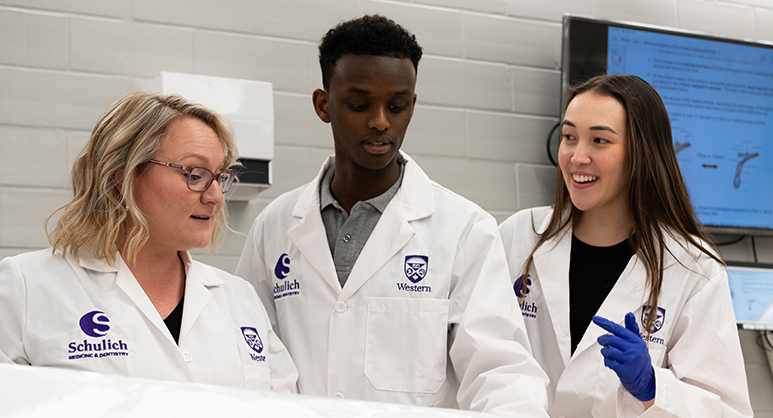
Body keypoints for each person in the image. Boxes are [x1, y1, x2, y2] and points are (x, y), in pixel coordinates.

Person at [236, 14, 548, 415]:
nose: (381, 121)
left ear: (412, 105)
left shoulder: (464, 230)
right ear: (323, 105)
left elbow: (502, 371)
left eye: (397, 106)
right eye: (360, 104)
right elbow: (247, 354)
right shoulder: (274, 226)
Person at [0, 92, 298, 392]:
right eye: (195, 175)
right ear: (122, 175)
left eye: (220, 177)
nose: (214, 197)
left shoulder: (240, 300)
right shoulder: (26, 288)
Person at [499, 74, 753, 417]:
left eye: (600, 141)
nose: (577, 157)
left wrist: (652, 388)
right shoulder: (519, 236)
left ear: (642, 154)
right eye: (569, 137)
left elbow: (728, 411)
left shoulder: (693, 267)